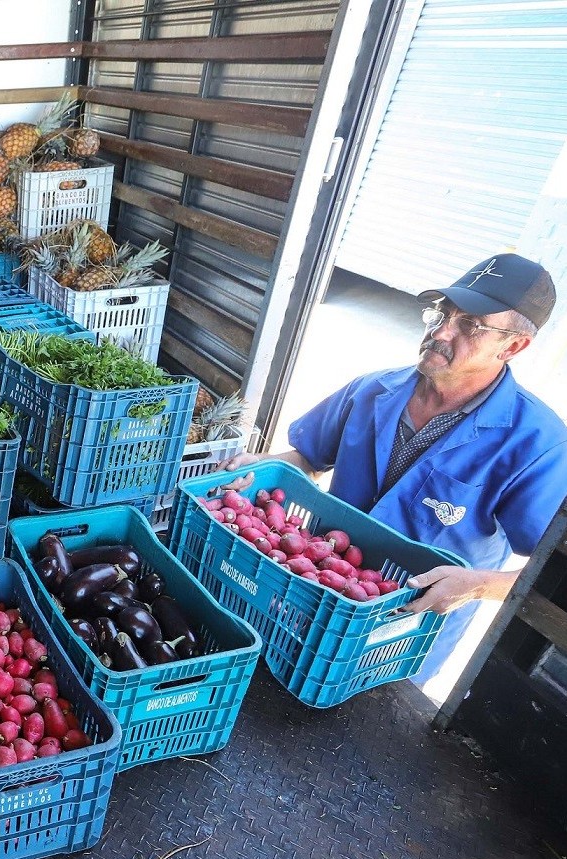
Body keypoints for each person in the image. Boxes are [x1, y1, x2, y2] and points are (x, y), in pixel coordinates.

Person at [223, 252, 567, 689]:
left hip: (401, 637)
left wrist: (476, 585)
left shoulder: (538, 443)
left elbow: (547, 571)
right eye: (441, 313)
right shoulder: (371, 390)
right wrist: (263, 466)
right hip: (313, 588)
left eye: (470, 326)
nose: (441, 332)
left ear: (513, 346)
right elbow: (307, 459)